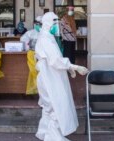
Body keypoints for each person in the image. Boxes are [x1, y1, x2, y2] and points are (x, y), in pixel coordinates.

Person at [34, 12, 89, 141]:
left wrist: (69, 69)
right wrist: (74, 67)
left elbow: (54, 60)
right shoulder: (46, 39)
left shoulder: (47, 36)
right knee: (56, 107)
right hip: (50, 79)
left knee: (49, 108)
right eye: (55, 23)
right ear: (48, 23)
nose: (57, 26)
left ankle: (44, 134)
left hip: (50, 76)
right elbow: (55, 61)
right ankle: (53, 138)